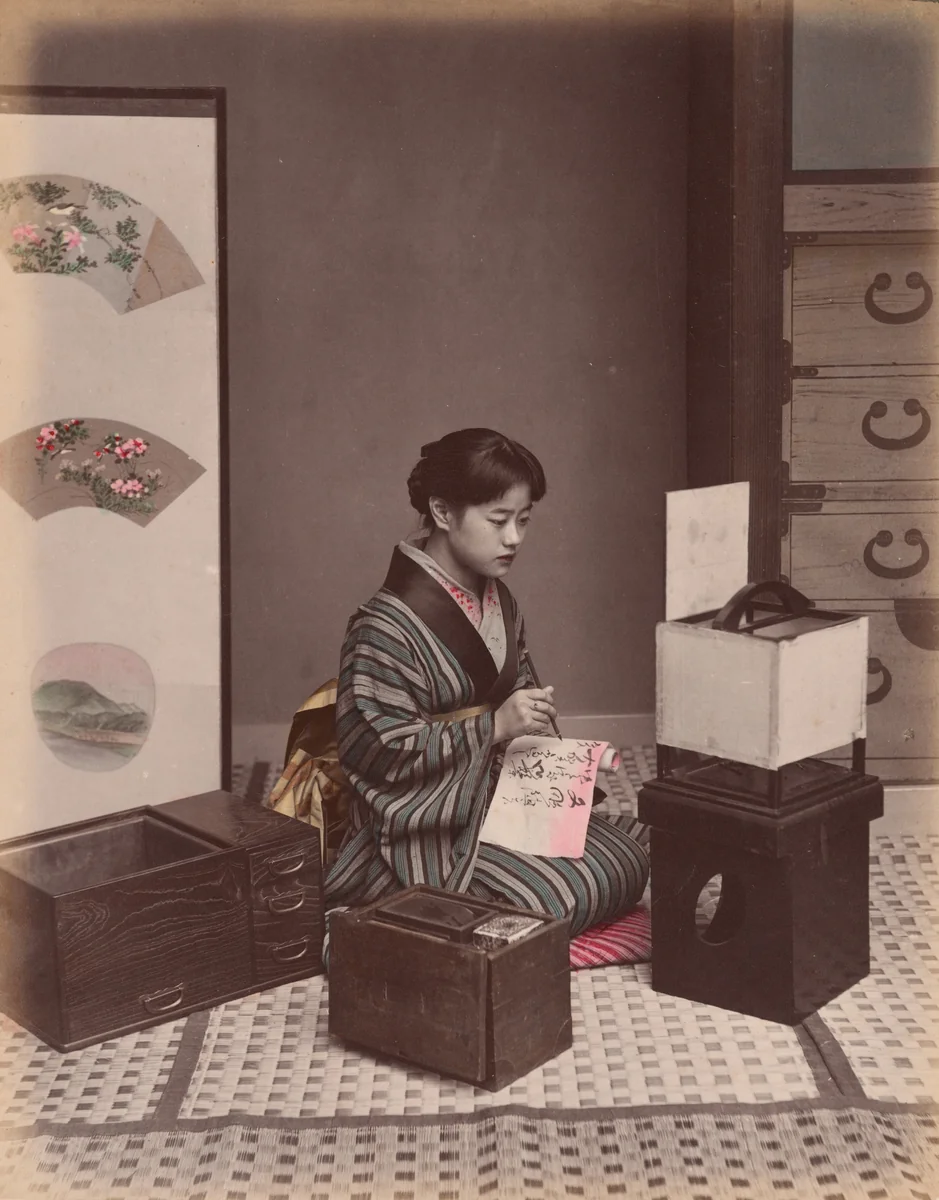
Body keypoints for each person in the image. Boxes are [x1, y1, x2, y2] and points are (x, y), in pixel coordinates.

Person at [321, 428, 649, 937]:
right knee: (558, 893)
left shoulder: (501, 602)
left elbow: (525, 712)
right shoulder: (382, 624)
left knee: (628, 852)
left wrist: (567, 762)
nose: (514, 538)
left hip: (493, 799)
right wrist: (492, 726)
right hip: (423, 827)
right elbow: (378, 751)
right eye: (498, 521)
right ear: (443, 512)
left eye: (523, 521)